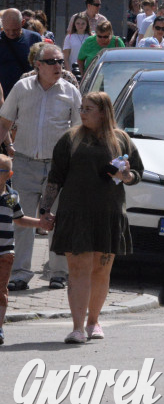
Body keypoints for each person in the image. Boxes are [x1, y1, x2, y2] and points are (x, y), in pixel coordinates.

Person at [39, 92, 143, 344]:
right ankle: (76, 328)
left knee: (100, 270)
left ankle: (93, 321)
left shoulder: (122, 140)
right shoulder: (70, 139)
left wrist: (127, 176)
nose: (82, 113)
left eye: (88, 109)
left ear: (103, 112)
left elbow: (138, 173)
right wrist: (44, 210)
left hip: (109, 214)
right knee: (77, 270)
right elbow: (55, 177)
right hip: (76, 213)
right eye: (81, 108)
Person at [0, 43, 82, 291]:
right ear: (38, 65)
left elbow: (78, 131)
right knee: (21, 219)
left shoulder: (70, 91)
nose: (58, 65)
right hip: (24, 162)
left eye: (60, 61)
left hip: (58, 168)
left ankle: (58, 272)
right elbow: (4, 122)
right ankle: (20, 273)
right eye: (52, 62)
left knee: (56, 217)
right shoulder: (22, 88)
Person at [0, 155, 54, 344]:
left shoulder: (11, 197)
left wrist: (39, 223)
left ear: (9, 175)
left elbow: (19, 219)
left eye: (1, 171)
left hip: (5, 252)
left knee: (2, 291)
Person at [0, 9, 43, 100]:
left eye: (15, 29)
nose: (11, 33)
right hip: (4, 95)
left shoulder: (34, 38)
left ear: (23, 22)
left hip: (29, 93)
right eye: (7, 30)